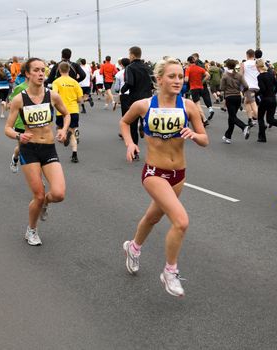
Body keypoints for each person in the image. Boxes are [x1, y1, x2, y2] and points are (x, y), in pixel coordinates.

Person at [119, 57, 209, 297]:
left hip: (178, 173)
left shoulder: (189, 106)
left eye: (181, 76)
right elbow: (125, 122)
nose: (178, 80)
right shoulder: (144, 105)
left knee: (152, 218)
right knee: (181, 221)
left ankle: (133, 247)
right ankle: (170, 271)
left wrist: (194, 134)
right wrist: (129, 144)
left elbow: (205, 140)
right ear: (159, 79)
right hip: (154, 172)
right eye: (172, 76)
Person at [4, 58, 71, 246]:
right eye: (36, 70)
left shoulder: (52, 96)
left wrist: (63, 129)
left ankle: (45, 205)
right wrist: (19, 136)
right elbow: (7, 128)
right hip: (29, 149)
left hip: (49, 147)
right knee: (39, 195)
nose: (41, 73)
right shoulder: (19, 99)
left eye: (43, 70)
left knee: (58, 194)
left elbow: (66, 115)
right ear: (28, 73)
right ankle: (31, 230)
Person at [120, 46, 154, 151]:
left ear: (132, 55)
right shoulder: (148, 67)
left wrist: (122, 89)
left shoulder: (130, 67)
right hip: (147, 99)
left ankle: (135, 151)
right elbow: (154, 83)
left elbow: (129, 82)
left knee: (132, 126)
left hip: (135, 99)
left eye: (129, 54)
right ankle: (153, 148)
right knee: (150, 125)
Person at [52, 62, 84, 163]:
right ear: (69, 70)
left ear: (59, 70)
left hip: (61, 111)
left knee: (59, 128)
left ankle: (64, 135)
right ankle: (74, 154)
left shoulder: (56, 82)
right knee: (73, 132)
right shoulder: (75, 82)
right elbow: (80, 99)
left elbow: (55, 96)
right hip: (74, 110)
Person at [256, 59, 277, 142]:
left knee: (260, 118)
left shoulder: (260, 77)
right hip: (273, 99)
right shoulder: (271, 74)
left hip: (265, 99)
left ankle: (262, 137)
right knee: (270, 119)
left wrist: (256, 94)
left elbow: (263, 89)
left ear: (257, 67)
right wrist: (273, 93)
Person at [220, 59, 250, 143]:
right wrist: (242, 92)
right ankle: (228, 136)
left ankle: (244, 127)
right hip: (238, 97)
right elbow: (246, 86)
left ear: (227, 66)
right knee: (232, 117)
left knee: (232, 117)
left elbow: (222, 87)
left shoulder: (225, 75)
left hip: (229, 97)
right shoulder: (239, 75)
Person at [185, 55, 211, 126]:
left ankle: (204, 119)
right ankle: (203, 119)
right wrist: (202, 81)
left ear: (188, 62)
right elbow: (208, 75)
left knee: (197, 105)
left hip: (194, 88)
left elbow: (186, 80)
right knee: (197, 104)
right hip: (201, 87)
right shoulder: (200, 68)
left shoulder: (188, 69)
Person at [240, 49, 260, 126]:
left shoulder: (243, 64)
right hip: (257, 85)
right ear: (254, 55)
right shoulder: (257, 63)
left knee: (253, 104)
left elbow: (240, 75)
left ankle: (261, 121)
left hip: (248, 86)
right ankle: (249, 119)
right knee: (246, 101)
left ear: (247, 55)